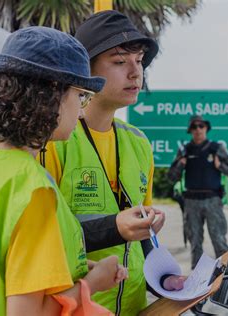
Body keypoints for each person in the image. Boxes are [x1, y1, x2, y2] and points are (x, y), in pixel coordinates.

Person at [0, 26, 128, 315]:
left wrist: (73, 266)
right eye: (80, 96)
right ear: (52, 95)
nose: (81, 112)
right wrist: (94, 281)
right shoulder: (32, 190)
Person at [43, 10, 183, 315]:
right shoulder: (54, 142)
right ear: (85, 71)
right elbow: (42, 239)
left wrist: (166, 280)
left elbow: (142, 240)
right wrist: (115, 228)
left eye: (139, 60)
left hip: (134, 307)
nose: (135, 72)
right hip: (76, 307)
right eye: (120, 62)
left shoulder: (138, 143)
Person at [168, 115, 228, 271]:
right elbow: (171, 177)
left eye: (201, 126)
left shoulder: (216, 148)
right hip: (191, 202)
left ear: (206, 128)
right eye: (194, 127)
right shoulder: (185, 150)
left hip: (212, 200)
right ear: (190, 130)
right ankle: (198, 278)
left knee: (219, 239)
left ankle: (226, 275)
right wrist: (181, 164)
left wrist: (220, 166)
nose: (198, 129)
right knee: (195, 242)